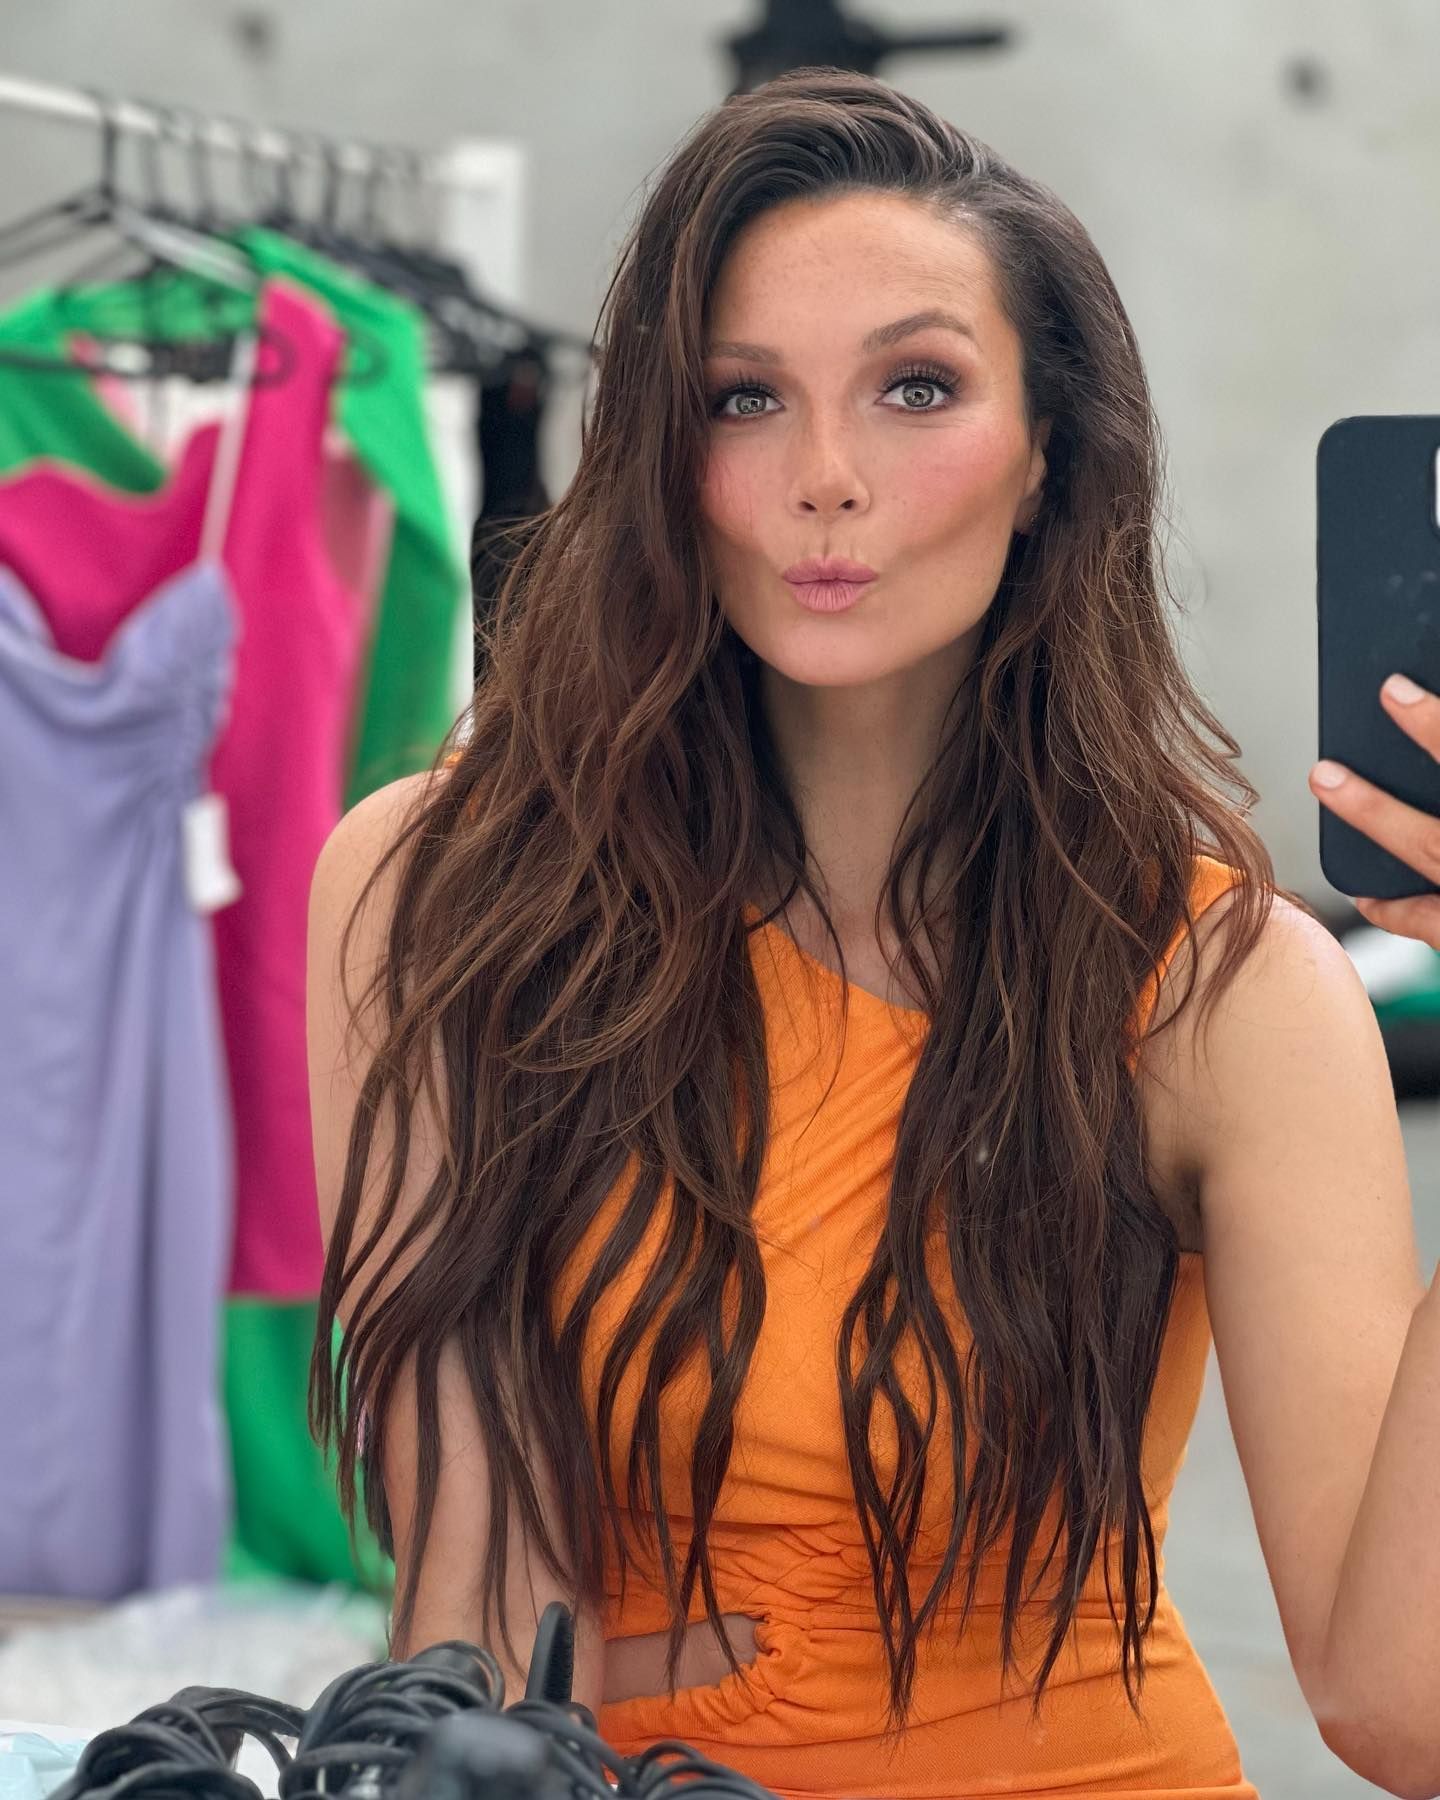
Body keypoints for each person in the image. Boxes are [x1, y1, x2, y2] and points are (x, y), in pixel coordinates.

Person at [305, 68, 1439, 1800]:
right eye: (745, 397)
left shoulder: (1227, 990)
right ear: (663, 456)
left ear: (1047, 453)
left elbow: (1399, 1710)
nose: (824, 479)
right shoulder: (438, 893)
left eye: (917, 389)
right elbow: (470, 1626)